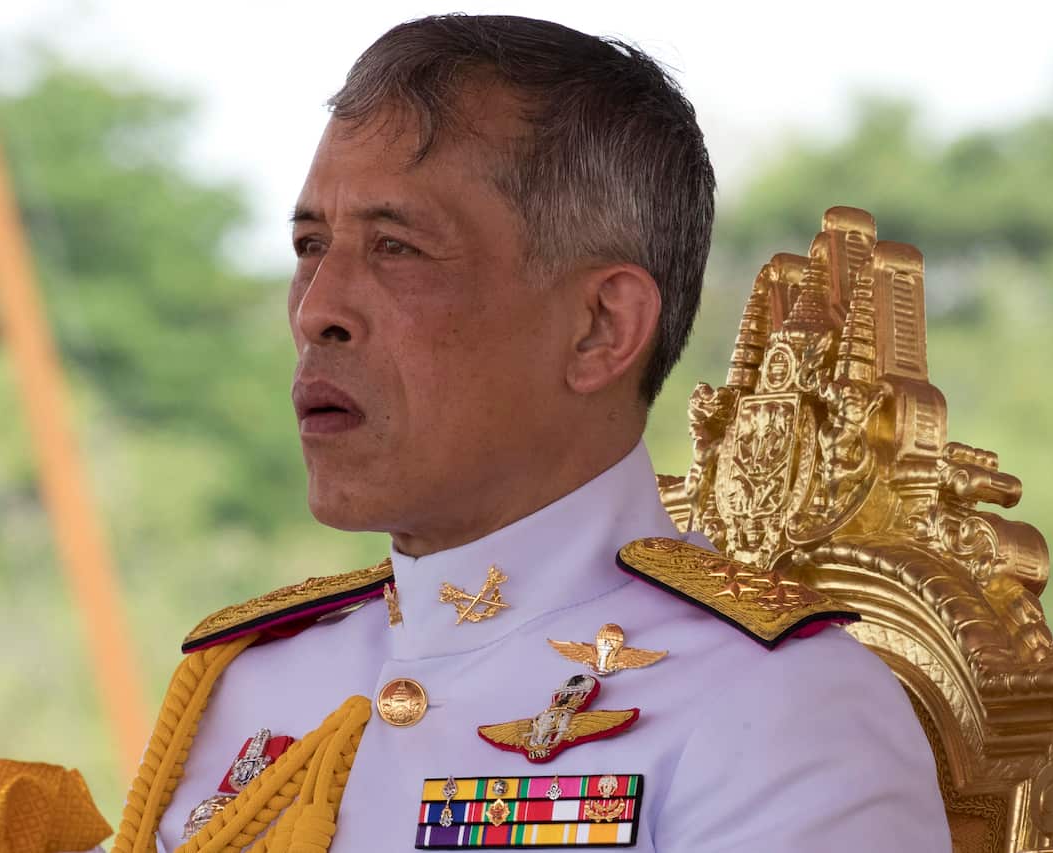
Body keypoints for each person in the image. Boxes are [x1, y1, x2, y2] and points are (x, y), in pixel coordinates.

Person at [101, 14, 950, 853]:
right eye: (309, 243)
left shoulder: (777, 707)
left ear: (600, 328)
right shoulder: (253, 682)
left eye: (397, 248)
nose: (317, 308)